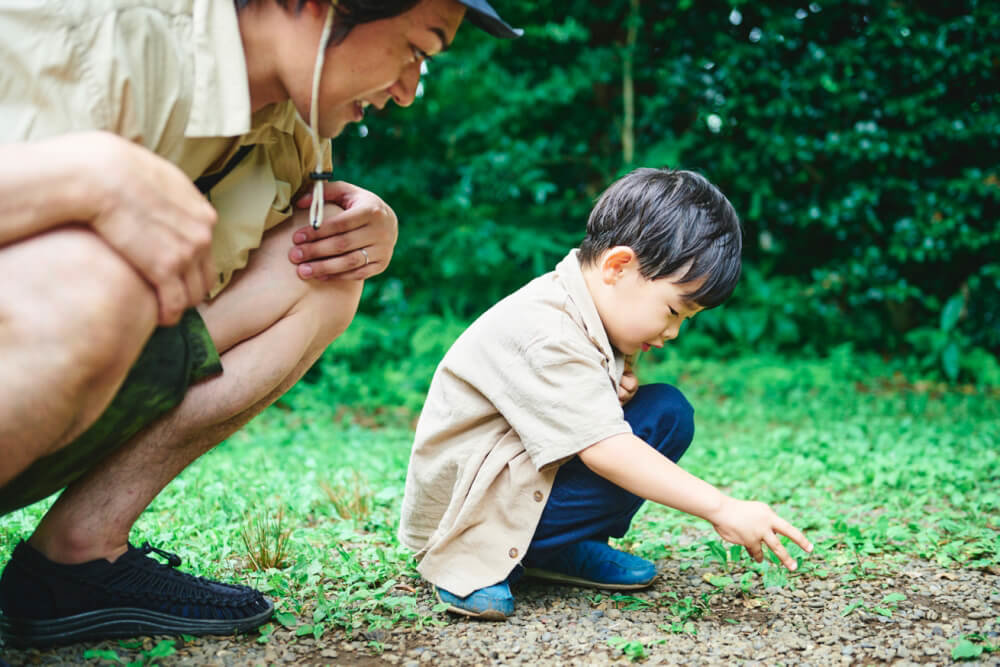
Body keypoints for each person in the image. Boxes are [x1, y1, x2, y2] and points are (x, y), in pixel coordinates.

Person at [0, 0, 521, 648]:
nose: (410, 91)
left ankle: (76, 558)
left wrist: (370, 230)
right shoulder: (102, 28)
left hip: (68, 396)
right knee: (101, 275)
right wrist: (92, 179)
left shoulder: (294, 119)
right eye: (416, 49)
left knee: (323, 272)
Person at [398, 168, 814, 620]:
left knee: (666, 412)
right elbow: (606, 451)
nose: (673, 332)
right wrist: (722, 507)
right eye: (674, 310)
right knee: (624, 444)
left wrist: (618, 375)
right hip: (471, 508)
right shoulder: (549, 328)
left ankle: (560, 549)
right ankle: (472, 561)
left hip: (523, 477)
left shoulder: (591, 311)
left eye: (686, 320)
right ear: (618, 266)